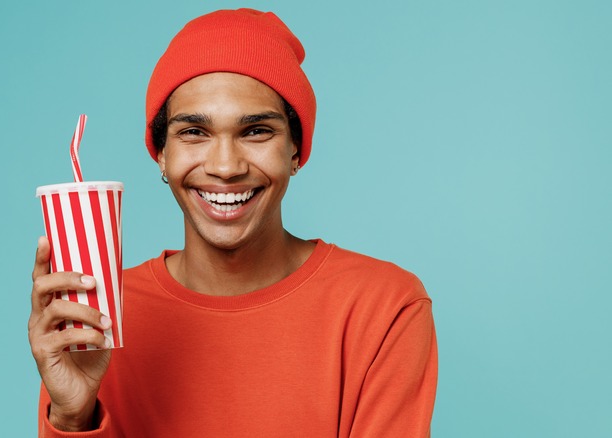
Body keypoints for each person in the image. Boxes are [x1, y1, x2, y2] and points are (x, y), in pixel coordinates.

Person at [28, 8, 438, 437]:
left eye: (256, 131)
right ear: (161, 153)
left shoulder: (384, 306)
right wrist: (72, 417)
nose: (225, 166)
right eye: (193, 132)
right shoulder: (94, 316)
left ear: (295, 151)